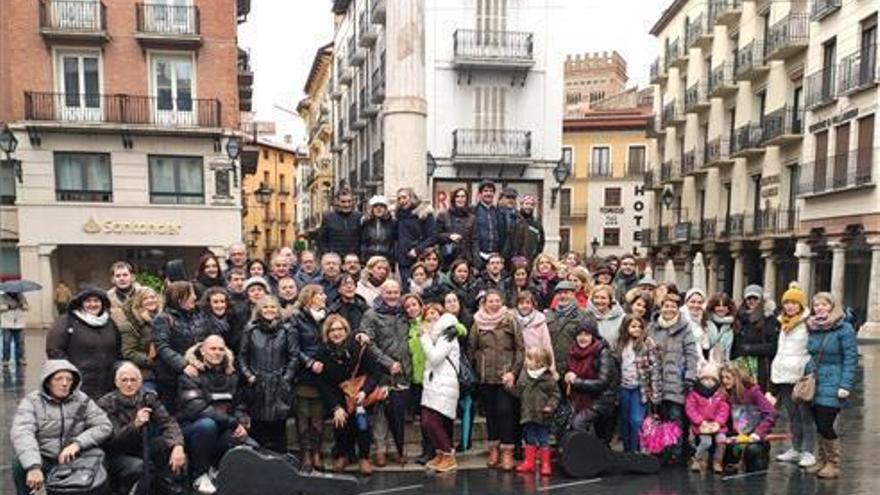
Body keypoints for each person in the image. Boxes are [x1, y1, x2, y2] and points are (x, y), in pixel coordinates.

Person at [10, 359, 112, 495]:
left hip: (74, 458)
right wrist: (33, 466)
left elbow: (104, 425)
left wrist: (77, 444)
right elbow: (22, 433)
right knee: (19, 464)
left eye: (69, 379)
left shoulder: (82, 400)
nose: (64, 384)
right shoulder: (32, 402)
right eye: (58, 379)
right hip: (44, 457)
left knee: (99, 461)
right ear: (48, 382)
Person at [97, 362, 186, 495]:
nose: (129, 384)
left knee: (169, 446)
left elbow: (168, 422)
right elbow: (113, 439)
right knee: (142, 467)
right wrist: (135, 424)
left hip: (144, 446)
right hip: (119, 454)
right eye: (124, 380)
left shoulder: (148, 397)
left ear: (140, 382)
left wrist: (178, 445)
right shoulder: (106, 403)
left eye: (133, 380)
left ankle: (171, 487)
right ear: (117, 383)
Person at [177, 335, 252, 494]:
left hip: (223, 427)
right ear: (202, 351)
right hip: (193, 429)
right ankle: (200, 475)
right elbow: (198, 409)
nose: (217, 353)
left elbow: (239, 405)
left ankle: (217, 469)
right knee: (207, 425)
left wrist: (243, 423)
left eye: (220, 349)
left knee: (251, 447)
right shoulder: (190, 374)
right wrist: (233, 423)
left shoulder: (231, 375)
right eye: (212, 349)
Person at [314, 315, 387, 475]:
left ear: (346, 330)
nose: (336, 333)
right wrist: (335, 407)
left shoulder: (358, 346)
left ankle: (364, 457)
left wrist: (364, 391)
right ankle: (343, 455)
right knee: (341, 424)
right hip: (338, 394)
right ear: (327, 332)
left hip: (360, 392)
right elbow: (323, 383)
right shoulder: (323, 352)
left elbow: (375, 373)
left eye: (340, 329)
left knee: (363, 425)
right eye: (332, 330)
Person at [803, 291, 858, 479]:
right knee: (818, 422)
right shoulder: (812, 326)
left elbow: (851, 358)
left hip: (834, 381)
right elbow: (810, 353)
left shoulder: (845, 329)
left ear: (832, 307)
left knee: (826, 423)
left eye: (824, 305)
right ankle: (822, 459)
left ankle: (833, 463)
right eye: (816, 305)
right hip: (815, 381)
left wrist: (845, 385)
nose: (820, 308)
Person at [355, 280, 410, 466]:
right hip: (381, 371)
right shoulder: (371, 314)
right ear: (382, 292)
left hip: (403, 371)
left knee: (398, 414)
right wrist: (387, 363)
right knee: (380, 414)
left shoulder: (404, 313)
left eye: (396, 292)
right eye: (389, 292)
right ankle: (380, 450)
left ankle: (398, 449)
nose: (393, 295)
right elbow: (369, 343)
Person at [469, 289, 523, 471]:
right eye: (490, 301)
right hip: (485, 377)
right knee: (491, 414)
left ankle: (507, 451)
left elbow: (520, 349)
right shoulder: (477, 322)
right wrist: (476, 369)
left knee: (505, 412)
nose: (494, 303)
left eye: (497, 300)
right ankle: (494, 449)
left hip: (505, 376)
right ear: (484, 303)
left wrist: (514, 372)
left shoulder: (510, 319)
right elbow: (472, 348)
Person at [239, 296, 298, 453]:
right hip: (257, 383)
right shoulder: (250, 329)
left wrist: (286, 378)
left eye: (273, 307)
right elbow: (242, 356)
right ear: (259, 310)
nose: (269, 310)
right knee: (258, 426)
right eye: (265, 307)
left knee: (279, 427)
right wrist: (249, 375)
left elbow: (293, 356)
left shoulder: (287, 330)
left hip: (279, 384)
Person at [648, 288, 700, 465]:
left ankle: (676, 453)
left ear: (678, 309)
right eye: (666, 306)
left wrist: (690, 376)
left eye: (673, 306)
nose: (669, 309)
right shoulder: (652, 327)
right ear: (661, 307)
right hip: (657, 380)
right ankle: (663, 449)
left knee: (675, 416)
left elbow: (692, 353)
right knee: (660, 417)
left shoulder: (685, 328)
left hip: (677, 380)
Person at [771, 282, 816, 468]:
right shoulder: (783, 323)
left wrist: (808, 369)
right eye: (787, 302)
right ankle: (796, 448)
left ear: (801, 305)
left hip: (799, 375)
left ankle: (809, 451)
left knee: (805, 415)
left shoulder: (808, 323)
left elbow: (813, 349)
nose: (789, 306)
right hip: (783, 374)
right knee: (792, 416)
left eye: (794, 303)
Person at [47, 287, 120, 399]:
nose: (93, 304)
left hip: (106, 384)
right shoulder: (66, 321)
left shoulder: (109, 323)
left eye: (96, 301)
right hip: (78, 384)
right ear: (80, 303)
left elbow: (117, 349)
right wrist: (70, 372)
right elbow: (54, 349)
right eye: (88, 301)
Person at [288, 285, 329, 470]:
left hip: (324, 374)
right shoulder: (297, 318)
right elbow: (294, 349)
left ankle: (317, 453)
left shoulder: (326, 316)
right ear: (309, 298)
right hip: (304, 374)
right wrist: (310, 363)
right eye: (319, 294)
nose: (324, 297)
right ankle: (305, 453)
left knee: (318, 416)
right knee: (303, 416)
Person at [152, 281, 209, 411]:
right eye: (191, 294)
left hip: (196, 374)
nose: (195, 297)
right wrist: (183, 365)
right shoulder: (163, 319)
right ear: (179, 298)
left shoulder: (198, 315)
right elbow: (162, 346)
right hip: (171, 377)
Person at [419, 312, 463, 473]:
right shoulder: (437, 337)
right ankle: (440, 454)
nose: (430, 323)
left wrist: (424, 338)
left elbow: (435, 357)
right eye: (427, 320)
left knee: (433, 422)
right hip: (432, 384)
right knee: (425, 422)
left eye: (433, 320)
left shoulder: (447, 336)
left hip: (444, 385)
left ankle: (448, 456)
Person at [614, 314, 662, 453]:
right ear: (626, 327)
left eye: (640, 327)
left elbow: (655, 368)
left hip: (639, 388)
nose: (637, 329)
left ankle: (636, 450)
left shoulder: (648, 344)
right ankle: (627, 450)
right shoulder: (619, 343)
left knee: (636, 420)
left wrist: (655, 393)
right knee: (624, 420)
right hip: (623, 387)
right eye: (633, 326)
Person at [719, 364, 778, 474]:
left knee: (753, 451)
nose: (724, 381)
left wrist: (758, 433)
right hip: (738, 437)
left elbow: (771, 413)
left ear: (737, 378)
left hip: (755, 439)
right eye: (722, 378)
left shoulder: (753, 392)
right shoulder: (726, 394)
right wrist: (726, 434)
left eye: (728, 378)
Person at [565, 319, 618, 442]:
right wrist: (567, 377)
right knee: (566, 424)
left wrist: (576, 381)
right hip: (579, 397)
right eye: (580, 334)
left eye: (586, 334)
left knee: (578, 423)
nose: (582, 338)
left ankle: (589, 454)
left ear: (593, 336)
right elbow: (569, 375)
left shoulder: (602, 352)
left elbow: (603, 382)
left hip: (601, 398)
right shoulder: (573, 351)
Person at [514, 347, 560, 476]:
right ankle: (529, 462)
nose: (526, 361)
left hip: (542, 415)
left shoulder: (548, 378)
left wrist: (550, 406)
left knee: (544, 439)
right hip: (528, 413)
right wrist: (509, 387)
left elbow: (555, 395)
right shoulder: (524, 375)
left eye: (529, 359)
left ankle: (545, 463)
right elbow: (519, 392)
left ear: (539, 363)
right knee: (529, 438)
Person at [732, 284, 779, 392]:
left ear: (761, 299)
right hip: (742, 365)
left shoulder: (769, 318)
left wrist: (749, 349)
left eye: (755, 298)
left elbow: (773, 346)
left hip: (762, 366)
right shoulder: (740, 317)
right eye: (749, 298)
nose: (751, 301)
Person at [685, 362, 729, 474]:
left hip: (717, 425)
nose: (708, 382)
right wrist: (700, 421)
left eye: (712, 379)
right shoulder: (694, 394)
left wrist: (718, 422)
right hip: (702, 425)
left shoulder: (720, 394)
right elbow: (690, 409)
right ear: (700, 379)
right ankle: (697, 459)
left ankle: (717, 461)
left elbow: (724, 409)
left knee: (721, 441)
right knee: (706, 442)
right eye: (705, 379)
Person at [119, 287, 162, 389]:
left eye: (152, 297)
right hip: (146, 374)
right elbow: (128, 352)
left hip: (166, 372)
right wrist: (150, 361)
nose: (150, 300)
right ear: (139, 302)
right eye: (145, 298)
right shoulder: (131, 324)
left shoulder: (164, 318)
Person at [394, 188, 437, 288]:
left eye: (404, 197)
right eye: (399, 198)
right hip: (403, 260)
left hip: (420, 258)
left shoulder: (424, 213)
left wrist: (417, 250)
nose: (402, 201)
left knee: (423, 288)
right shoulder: (398, 215)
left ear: (412, 198)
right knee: (407, 288)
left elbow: (433, 236)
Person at [547, 281, 590, 379]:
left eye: (566, 293)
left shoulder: (585, 315)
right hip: (552, 367)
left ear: (573, 294)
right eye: (559, 293)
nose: (563, 296)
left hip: (575, 367)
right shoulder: (549, 314)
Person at [514, 291, 555, 374]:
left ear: (533, 305)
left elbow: (546, 344)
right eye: (521, 303)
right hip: (517, 363)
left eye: (528, 303)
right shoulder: (513, 320)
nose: (525, 306)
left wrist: (551, 366)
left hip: (536, 362)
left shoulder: (540, 321)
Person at [436, 187, 477, 268]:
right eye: (457, 196)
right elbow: (435, 235)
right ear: (453, 199)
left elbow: (474, 240)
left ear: (466, 199)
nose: (460, 199)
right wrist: (449, 236)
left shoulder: (472, 218)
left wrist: (475, 261)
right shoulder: (443, 215)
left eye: (463, 196)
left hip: (466, 258)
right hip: (448, 257)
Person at [317, 188, 362, 259]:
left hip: (353, 260)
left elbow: (362, 240)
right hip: (335, 261)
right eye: (343, 202)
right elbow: (322, 241)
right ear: (337, 202)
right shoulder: (328, 217)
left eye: (349, 201)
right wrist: (329, 256)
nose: (347, 205)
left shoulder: (359, 217)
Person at [361, 195, 397, 263]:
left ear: (386, 209)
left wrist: (392, 256)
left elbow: (394, 242)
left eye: (382, 206)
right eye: (375, 206)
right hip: (370, 258)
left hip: (387, 258)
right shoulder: (366, 223)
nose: (378, 209)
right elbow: (363, 242)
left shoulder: (392, 223)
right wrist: (363, 256)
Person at [704, 292, 737, 365]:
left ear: (729, 308)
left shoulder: (734, 324)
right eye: (718, 305)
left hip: (726, 365)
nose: (721, 308)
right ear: (713, 307)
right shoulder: (705, 323)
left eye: (724, 305)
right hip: (707, 364)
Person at [473, 180, 499, 269]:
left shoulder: (497, 212)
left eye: (491, 191)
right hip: (479, 256)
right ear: (480, 194)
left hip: (495, 257)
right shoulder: (473, 211)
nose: (488, 193)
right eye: (486, 191)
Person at [1, 291, 28, 369]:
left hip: (19, 323)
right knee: (6, 342)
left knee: (20, 342)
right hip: (7, 323)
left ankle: (20, 358)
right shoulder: (3, 297)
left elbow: (27, 307)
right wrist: (9, 307)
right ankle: (5, 359)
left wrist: (22, 305)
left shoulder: (21, 297)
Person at [684, 288, 709, 363]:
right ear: (686, 302)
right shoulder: (679, 319)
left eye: (699, 302)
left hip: (699, 361)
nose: (696, 305)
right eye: (692, 302)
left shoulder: (703, 319)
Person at [496, 187, 521, 260]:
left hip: (514, 256)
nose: (511, 200)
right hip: (498, 255)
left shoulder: (519, 217)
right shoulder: (495, 214)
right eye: (508, 197)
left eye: (513, 198)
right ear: (501, 199)